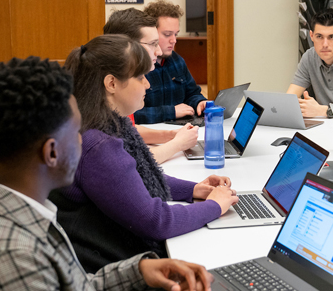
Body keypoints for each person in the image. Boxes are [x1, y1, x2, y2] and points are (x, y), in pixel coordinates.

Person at [0, 56, 212, 290]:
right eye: (77, 132)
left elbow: (72, 285)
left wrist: (139, 271)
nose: (83, 141)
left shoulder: (17, 209)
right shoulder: (12, 257)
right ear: (51, 153)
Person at [49, 34, 238, 273]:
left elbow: (133, 176)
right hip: (109, 266)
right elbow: (156, 221)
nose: (147, 84)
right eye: (139, 77)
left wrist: (193, 190)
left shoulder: (100, 123)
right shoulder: (98, 144)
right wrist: (214, 206)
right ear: (111, 84)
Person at [104, 7, 198, 163]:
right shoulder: (108, 93)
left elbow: (128, 129)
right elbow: (130, 163)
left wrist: (169, 135)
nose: (158, 51)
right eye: (153, 44)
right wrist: (177, 144)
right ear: (127, 45)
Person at [136, 0, 207, 124]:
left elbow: (192, 93)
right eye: (168, 34)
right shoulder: (135, 66)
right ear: (151, 32)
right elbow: (130, 114)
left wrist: (200, 102)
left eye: (176, 34)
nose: (174, 40)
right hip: (150, 134)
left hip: (180, 129)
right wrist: (170, 112)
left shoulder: (177, 60)